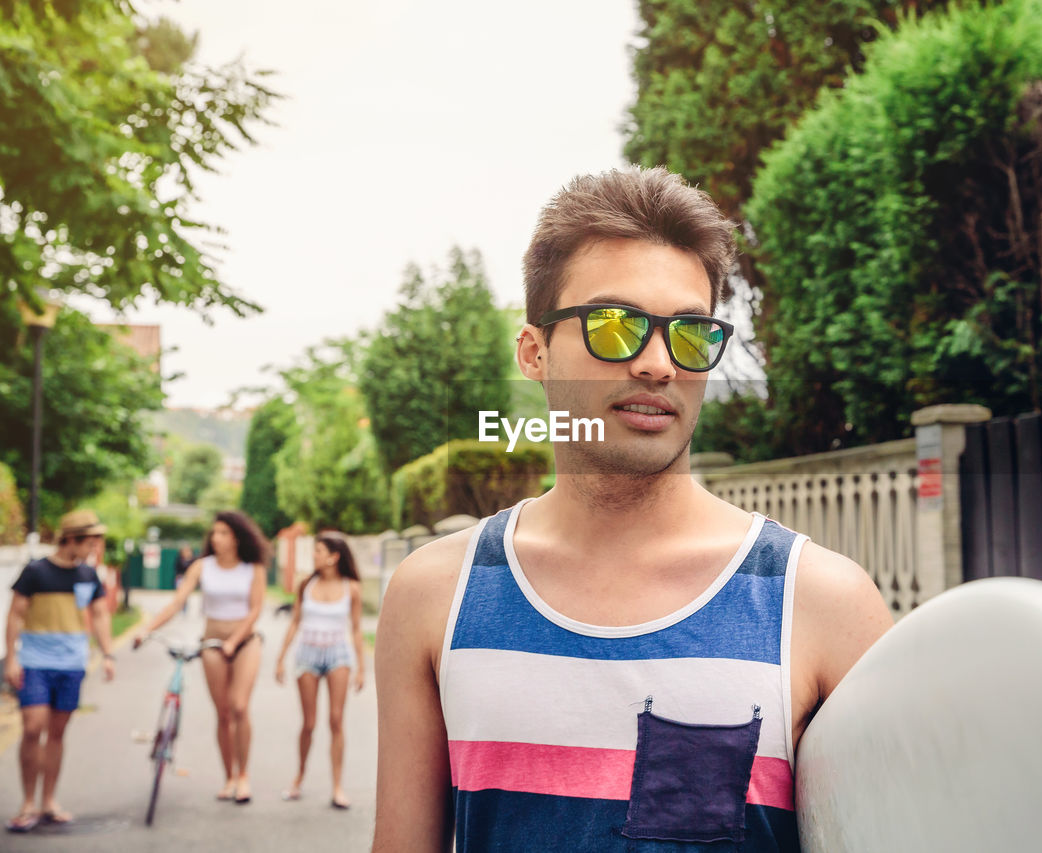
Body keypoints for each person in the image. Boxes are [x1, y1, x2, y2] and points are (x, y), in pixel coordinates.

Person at [373, 167, 895, 851]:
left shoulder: (824, 604)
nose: (658, 363)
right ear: (534, 352)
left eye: (689, 333)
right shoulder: (435, 595)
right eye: (615, 327)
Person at [134, 510, 268, 804]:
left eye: (223, 533)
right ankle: (229, 776)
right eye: (214, 533)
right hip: (212, 644)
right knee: (222, 712)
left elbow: (256, 609)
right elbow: (177, 602)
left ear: (237, 537)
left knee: (239, 706)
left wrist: (234, 641)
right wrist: (146, 630)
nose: (216, 538)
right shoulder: (202, 566)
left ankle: (243, 775)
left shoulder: (252, 568)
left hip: (244, 643)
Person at [5, 509, 115, 833]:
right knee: (31, 727)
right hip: (36, 663)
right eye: (91, 540)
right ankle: (28, 802)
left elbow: (100, 615)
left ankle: (49, 801)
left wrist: (109, 654)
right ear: (71, 538)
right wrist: (11, 659)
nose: (95, 547)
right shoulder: (36, 572)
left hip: (72, 665)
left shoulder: (88, 575)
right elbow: (14, 615)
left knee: (56, 734)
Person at [275, 534, 366, 809]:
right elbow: (294, 622)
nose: (313, 556)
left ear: (333, 556)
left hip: (338, 655)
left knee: (336, 720)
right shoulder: (306, 584)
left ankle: (337, 786)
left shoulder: (352, 588)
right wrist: (280, 658)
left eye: (318, 551)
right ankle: (299, 777)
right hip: (308, 655)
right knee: (309, 723)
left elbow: (357, 628)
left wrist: (362, 668)